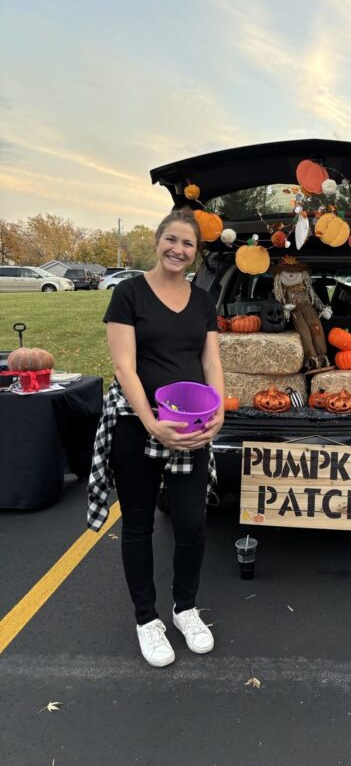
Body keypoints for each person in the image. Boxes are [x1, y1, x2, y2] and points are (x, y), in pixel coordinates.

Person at [87, 207, 225, 668]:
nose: (178, 249)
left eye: (187, 244)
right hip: (136, 421)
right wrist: (149, 421)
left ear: (196, 253)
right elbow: (124, 365)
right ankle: (147, 619)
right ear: (157, 240)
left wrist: (219, 411)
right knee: (139, 524)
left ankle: (185, 609)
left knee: (191, 523)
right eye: (171, 239)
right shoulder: (128, 294)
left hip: (191, 424)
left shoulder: (203, 301)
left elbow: (211, 363)